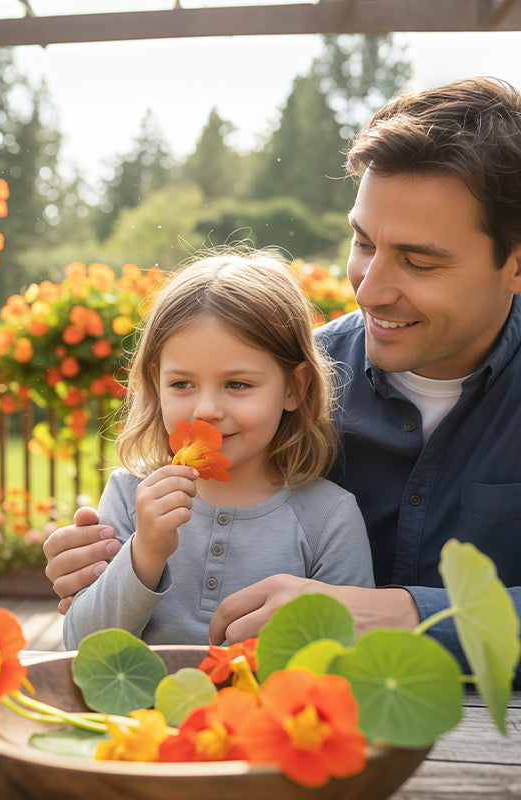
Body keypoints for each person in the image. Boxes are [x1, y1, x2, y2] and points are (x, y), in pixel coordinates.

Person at [45, 76, 521, 682]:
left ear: (515, 264)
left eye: (420, 261)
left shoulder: (293, 421)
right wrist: (103, 568)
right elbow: (90, 629)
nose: (368, 290)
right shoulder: (284, 379)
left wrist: (401, 613)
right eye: (363, 242)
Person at [63, 250, 374, 648]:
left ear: (294, 388)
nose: (206, 409)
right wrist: (145, 552)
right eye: (182, 384)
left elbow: (351, 657)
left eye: (237, 384)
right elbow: (81, 646)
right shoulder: (129, 496)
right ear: (156, 383)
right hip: (141, 712)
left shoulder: (328, 518)